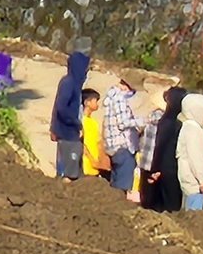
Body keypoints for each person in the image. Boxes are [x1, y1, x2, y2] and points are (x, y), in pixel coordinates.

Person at [49, 45, 91, 181]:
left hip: (70, 133)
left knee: (75, 171)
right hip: (67, 134)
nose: (86, 73)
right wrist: (76, 124)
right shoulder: (69, 83)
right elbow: (61, 108)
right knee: (69, 174)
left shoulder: (74, 84)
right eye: (85, 69)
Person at [143, 87, 187, 214]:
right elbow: (160, 146)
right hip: (168, 169)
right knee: (171, 207)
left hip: (164, 168)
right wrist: (155, 169)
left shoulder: (167, 120)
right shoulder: (172, 122)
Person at [176, 94, 203, 212]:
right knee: (194, 213)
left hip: (194, 181)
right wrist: (202, 180)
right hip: (194, 182)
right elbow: (195, 157)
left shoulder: (191, 128)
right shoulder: (192, 131)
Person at [100, 75, 139, 194]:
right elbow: (123, 123)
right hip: (122, 146)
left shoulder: (111, 97)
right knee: (122, 190)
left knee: (115, 188)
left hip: (113, 147)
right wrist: (143, 121)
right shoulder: (119, 98)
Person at [79, 89, 104, 180]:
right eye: (95, 101)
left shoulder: (93, 122)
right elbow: (80, 143)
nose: (97, 104)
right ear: (87, 103)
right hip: (85, 165)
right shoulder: (81, 121)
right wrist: (91, 158)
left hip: (94, 166)